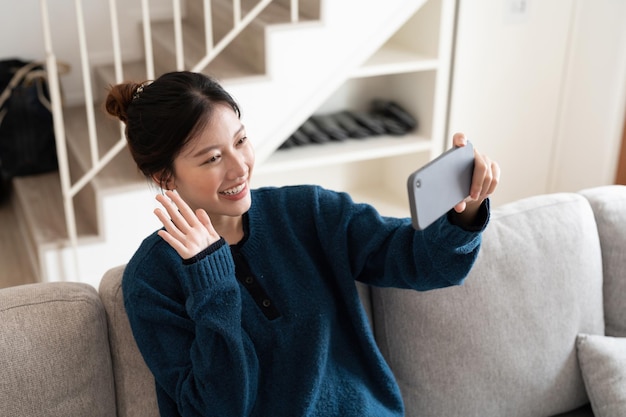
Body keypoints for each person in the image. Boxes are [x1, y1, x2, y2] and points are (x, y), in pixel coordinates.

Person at [105, 71, 500, 417]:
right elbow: (216, 407)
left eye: (241, 141)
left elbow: (419, 262)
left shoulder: (307, 211)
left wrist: (463, 213)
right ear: (165, 176)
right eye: (211, 159)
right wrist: (212, 280)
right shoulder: (152, 281)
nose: (239, 166)